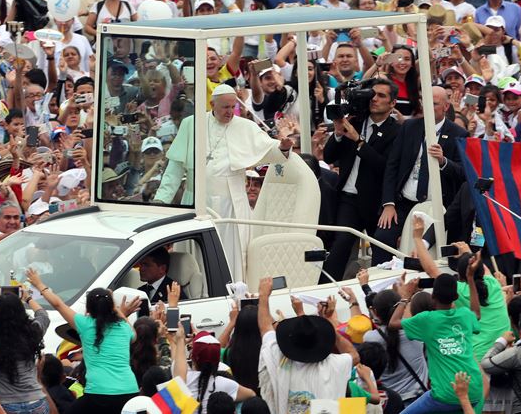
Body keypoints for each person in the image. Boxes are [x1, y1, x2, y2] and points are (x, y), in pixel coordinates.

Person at [156, 84, 291, 282]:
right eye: (225, 107)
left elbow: (269, 150)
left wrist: (284, 147)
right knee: (196, 257)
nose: (230, 112)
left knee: (229, 256)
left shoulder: (245, 127)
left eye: (232, 107)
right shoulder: (191, 124)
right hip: (196, 200)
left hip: (231, 204)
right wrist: (161, 200)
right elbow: (175, 169)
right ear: (212, 104)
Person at [373, 85, 468, 265]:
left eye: (434, 104)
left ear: (446, 107)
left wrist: (443, 161)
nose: (428, 107)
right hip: (403, 203)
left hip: (438, 207)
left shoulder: (458, 134)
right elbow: (392, 165)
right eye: (426, 103)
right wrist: (388, 203)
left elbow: (463, 173)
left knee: (423, 251)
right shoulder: (410, 126)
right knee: (382, 238)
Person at [26, 268, 140, 413]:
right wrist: (115, 308)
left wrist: (39, 284)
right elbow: (134, 335)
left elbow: (58, 304)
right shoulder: (124, 327)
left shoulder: (85, 324)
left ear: (89, 308)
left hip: (99, 394)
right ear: (111, 306)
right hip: (129, 391)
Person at [321, 78, 400, 281]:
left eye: (381, 96)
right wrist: (338, 134)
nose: (375, 99)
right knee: (341, 244)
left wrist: (358, 141)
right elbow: (328, 157)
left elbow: (385, 167)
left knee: (381, 250)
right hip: (348, 198)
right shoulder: (355, 120)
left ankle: (379, 293)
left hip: (376, 202)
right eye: (372, 94)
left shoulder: (397, 131)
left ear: (393, 103)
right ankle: (325, 288)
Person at [388, 264, 484, 413]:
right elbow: (476, 314)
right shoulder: (465, 315)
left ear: (433, 296)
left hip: (445, 394)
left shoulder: (427, 320)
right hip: (475, 390)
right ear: (456, 297)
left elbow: (393, 323)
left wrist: (406, 296)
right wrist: (470, 279)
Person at [257, 277, 359, 412]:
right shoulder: (333, 365)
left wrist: (263, 296)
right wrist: (330, 329)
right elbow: (354, 356)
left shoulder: (278, 360)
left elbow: (265, 327)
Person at [0, 287, 51, 413]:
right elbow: (43, 315)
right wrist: (28, 298)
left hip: (5, 405)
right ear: (21, 311)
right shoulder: (33, 331)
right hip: (36, 401)